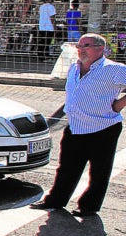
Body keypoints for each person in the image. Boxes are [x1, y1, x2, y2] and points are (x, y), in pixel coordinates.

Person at [30, 33, 126, 217]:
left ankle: (89, 206)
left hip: (103, 127)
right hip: (75, 125)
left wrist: (119, 104)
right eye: (79, 46)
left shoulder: (114, 69)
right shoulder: (74, 67)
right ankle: (56, 200)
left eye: (86, 46)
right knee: (66, 166)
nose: (80, 50)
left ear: (100, 49)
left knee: (99, 171)